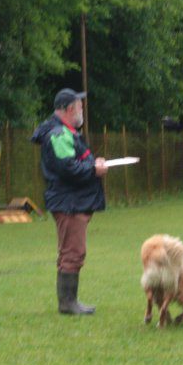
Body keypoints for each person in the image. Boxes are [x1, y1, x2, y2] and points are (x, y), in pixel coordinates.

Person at [31, 88, 108, 315]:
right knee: (73, 252)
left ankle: (69, 301)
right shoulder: (59, 134)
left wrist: (94, 164)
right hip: (69, 202)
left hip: (71, 201)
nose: (82, 111)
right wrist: (94, 169)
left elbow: (72, 163)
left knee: (71, 251)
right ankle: (67, 303)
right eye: (80, 107)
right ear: (68, 109)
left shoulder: (64, 133)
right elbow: (68, 168)